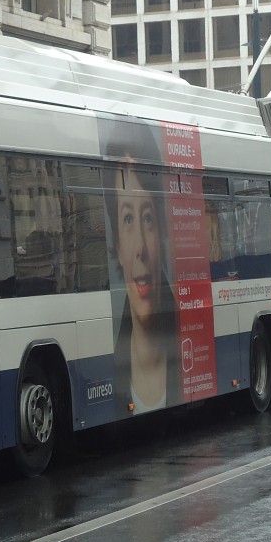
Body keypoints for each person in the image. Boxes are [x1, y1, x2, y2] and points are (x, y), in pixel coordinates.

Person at [103, 121, 179, 415]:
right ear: (117, 248)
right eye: (127, 220)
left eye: (147, 218)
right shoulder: (110, 365)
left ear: (161, 232)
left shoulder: (187, 335)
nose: (140, 250)